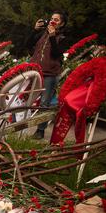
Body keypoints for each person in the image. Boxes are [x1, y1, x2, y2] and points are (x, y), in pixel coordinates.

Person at [27, 10, 69, 140]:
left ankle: (40, 131)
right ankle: (17, 126)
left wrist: (52, 36)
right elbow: (27, 45)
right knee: (26, 98)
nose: (52, 21)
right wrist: (34, 30)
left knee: (44, 103)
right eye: (51, 18)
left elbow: (57, 54)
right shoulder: (41, 34)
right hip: (34, 71)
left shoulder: (62, 38)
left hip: (49, 74)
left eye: (56, 20)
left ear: (61, 24)